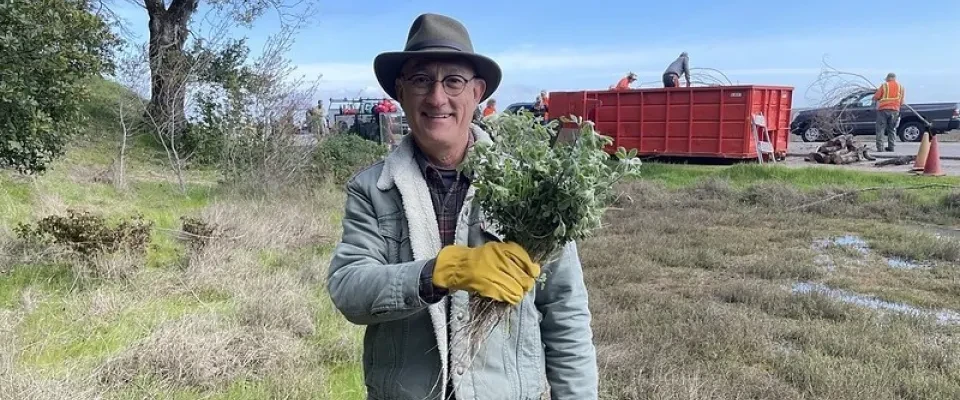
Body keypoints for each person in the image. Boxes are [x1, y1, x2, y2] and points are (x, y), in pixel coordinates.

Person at [326, 12, 598, 400]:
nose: (437, 97)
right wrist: (437, 273)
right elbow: (349, 289)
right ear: (400, 92)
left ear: (477, 92)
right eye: (421, 80)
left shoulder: (532, 189)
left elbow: (565, 312)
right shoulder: (372, 189)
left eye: (453, 80)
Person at [873, 72, 904, 152]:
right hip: (895, 110)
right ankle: (891, 147)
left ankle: (880, 148)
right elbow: (902, 102)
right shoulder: (901, 87)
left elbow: (876, 97)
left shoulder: (884, 85)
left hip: (883, 110)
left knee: (880, 129)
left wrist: (876, 96)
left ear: (888, 78)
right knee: (892, 129)